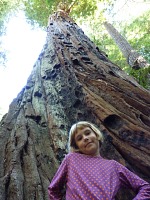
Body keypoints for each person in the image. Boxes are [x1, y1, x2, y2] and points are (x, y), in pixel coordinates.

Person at [48, 121, 150, 200]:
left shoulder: (113, 166)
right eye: (79, 138)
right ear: (77, 147)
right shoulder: (71, 159)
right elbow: (53, 189)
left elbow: (145, 187)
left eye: (88, 133)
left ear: (96, 135)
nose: (85, 138)